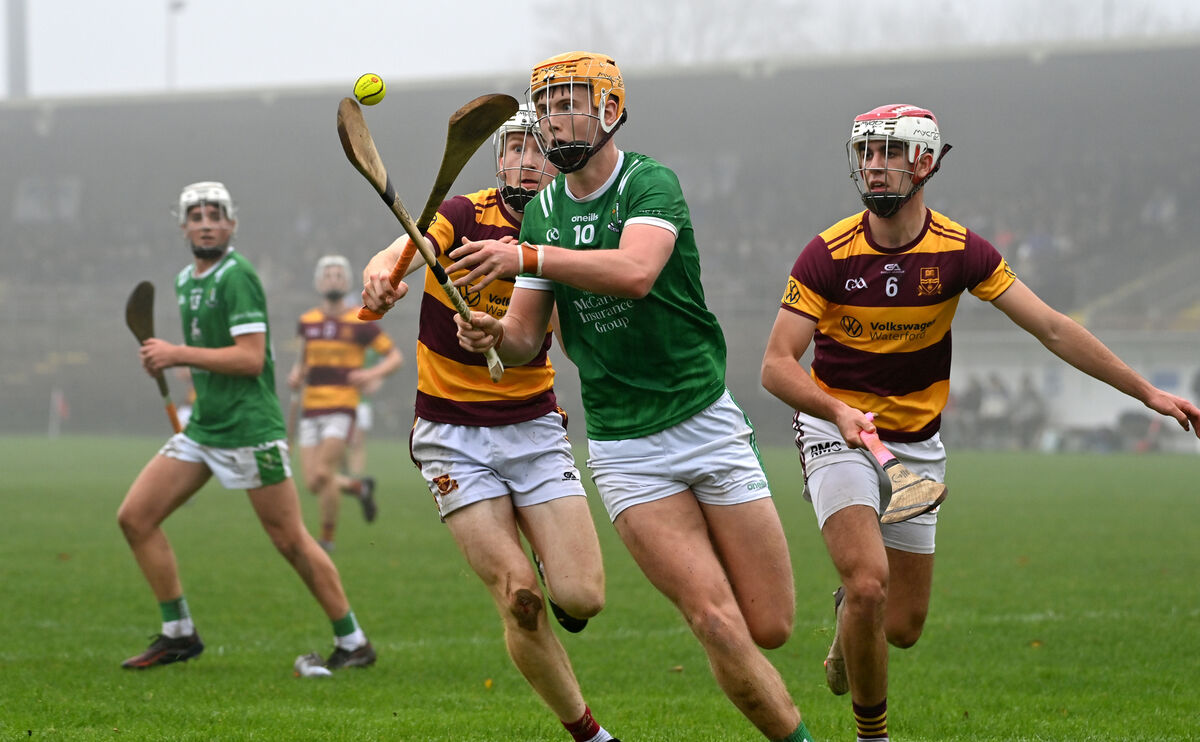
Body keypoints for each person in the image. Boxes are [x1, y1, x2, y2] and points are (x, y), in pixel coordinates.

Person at [760, 104, 1200, 742]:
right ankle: (871, 734)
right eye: (866, 154)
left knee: (902, 626)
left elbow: (1051, 327)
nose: (874, 168)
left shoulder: (962, 251)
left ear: (926, 163)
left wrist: (1145, 392)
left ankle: (850, 619)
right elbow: (775, 366)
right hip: (835, 431)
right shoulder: (826, 254)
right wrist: (835, 411)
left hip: (915, 445)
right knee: (867, 581)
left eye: (889, 153)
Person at [448, 53, 815, 742]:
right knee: (713, 620)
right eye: (548, 105)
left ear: (610, 109)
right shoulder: (545, 212)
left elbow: (637, 272)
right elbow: (529, 339)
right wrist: (492, 333)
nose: (557, 118)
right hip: (626, 446)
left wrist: (529, 259)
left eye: (570, 102)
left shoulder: (650, 183)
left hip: (705, 421)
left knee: (772, 625)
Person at [362, 105, 620, 742]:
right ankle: (589, 733)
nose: (525, 161)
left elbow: (541, 342)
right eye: (514, 149)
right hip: (451, 434)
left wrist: (499, 333)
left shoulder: (568, 229)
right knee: (520, 598)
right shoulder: (464, 212)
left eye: (537, 149)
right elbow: (413, 243)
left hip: (532, 427)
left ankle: (548, 551)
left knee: (581, 598)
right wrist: (383, 272)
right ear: (499, 157)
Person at [116, 181, 377, 671]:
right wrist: (166, 361)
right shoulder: (185, 281)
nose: (207, 223)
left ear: (232, 224)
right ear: (183, 227)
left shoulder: (238, 277)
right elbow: (205, 353)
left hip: (250, 430)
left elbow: (251, 359)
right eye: (197, 216)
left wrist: (175, 354)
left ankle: (354, 641)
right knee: (135, 517)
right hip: (205, 429)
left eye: (216, 215)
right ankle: (179, 633)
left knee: (290, 541)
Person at [288, 255, 403, 552]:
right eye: (328, 275)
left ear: (348, 281)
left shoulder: (361, 319)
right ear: (318, 282)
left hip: (341, 406)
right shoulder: (307, 322)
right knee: (313, 481)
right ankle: (358, 487)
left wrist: (370, 373)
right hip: (310, 407)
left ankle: (326, 539)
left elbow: (394, 358)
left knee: (324, 474)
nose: (333, 279)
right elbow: (302, 361)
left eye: (339, 275)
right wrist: (296, 374)